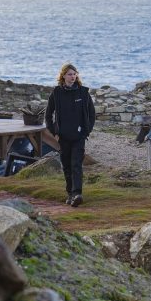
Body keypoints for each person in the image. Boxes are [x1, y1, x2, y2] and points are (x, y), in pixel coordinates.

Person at [46, 62, 95, 206]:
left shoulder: (83, 93)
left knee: (76, 165)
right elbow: (48, 115)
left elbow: (92, 114)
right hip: (63, 137)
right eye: (69, 74)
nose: (72, 77)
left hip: (79, 136)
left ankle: (77, 193)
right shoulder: (56, 93)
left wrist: (87, 130)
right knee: (66, 165)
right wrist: (54, 132)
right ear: (63, 76)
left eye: (74, 74)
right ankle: (70, 193)